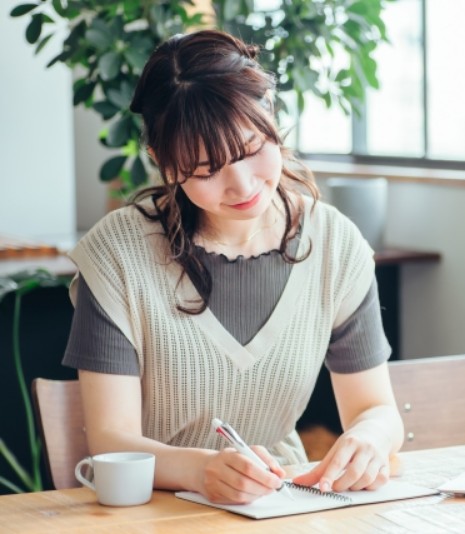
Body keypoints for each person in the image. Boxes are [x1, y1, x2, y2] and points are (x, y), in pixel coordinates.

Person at [62, 29, 403, 505]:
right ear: (162, 161)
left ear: (271, 114)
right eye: (205, 171)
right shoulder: (118, 255)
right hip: (151, 512)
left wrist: (371, 439)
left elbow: (377, 408)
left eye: (251, 149)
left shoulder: (335, 245)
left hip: (280, 503)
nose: (242, 185)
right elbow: (112, 441)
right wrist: (203, 471)